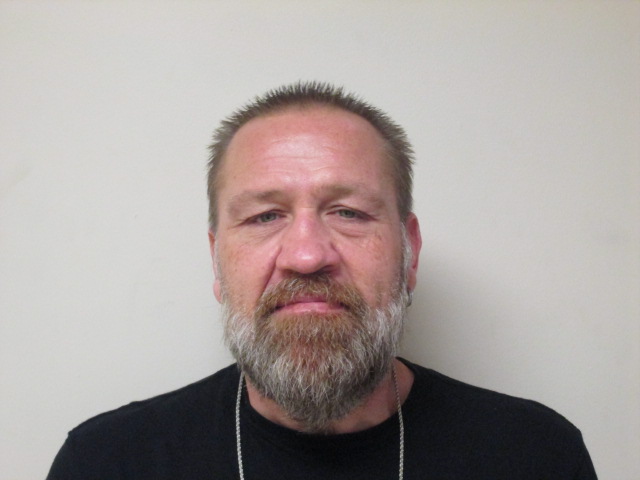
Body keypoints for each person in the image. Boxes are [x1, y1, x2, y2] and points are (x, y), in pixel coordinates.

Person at [47, 81, 597, 479]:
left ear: (409, 253)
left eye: (349, 213)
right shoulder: (106, 463)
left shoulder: (536, 456)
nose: (307, 256)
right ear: (217, 261)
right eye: (265, 216)